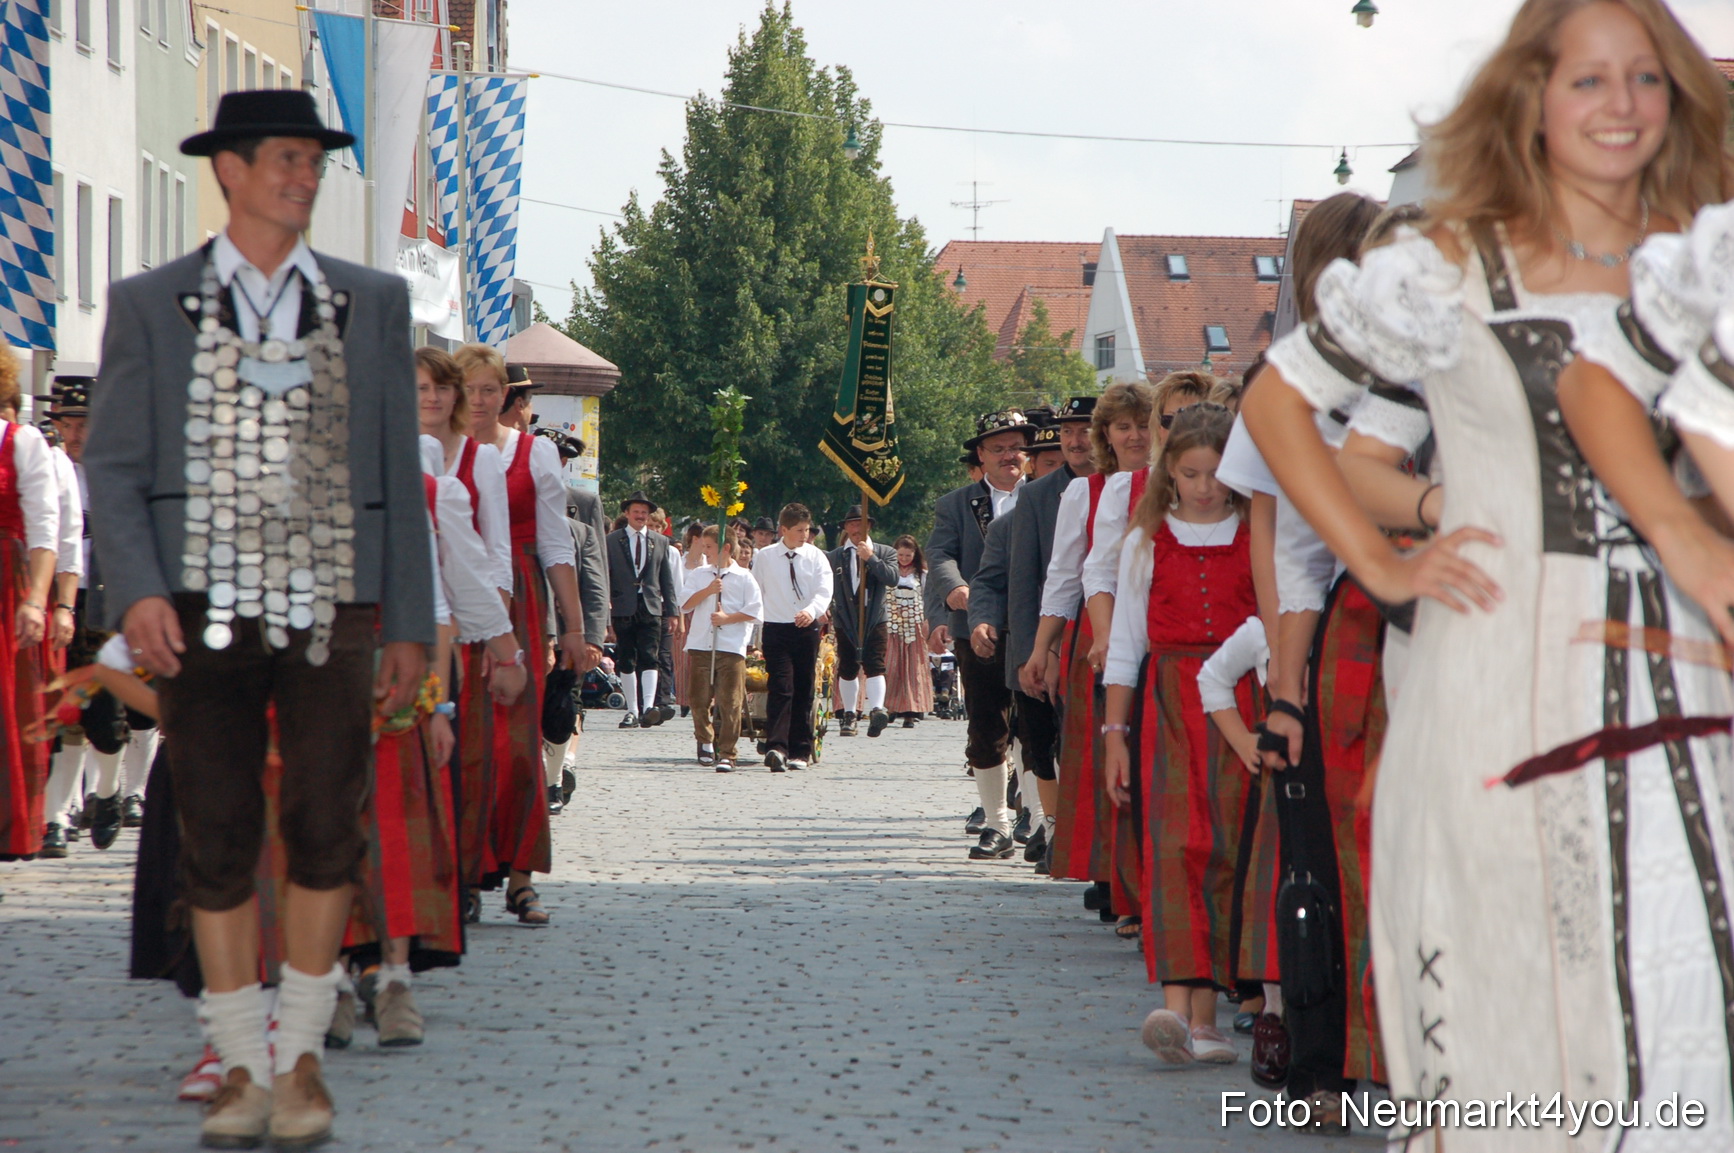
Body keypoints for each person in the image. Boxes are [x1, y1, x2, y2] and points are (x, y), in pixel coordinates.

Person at [1241, 1, 1734, 1141]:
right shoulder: (1451, 263)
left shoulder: (1701, 259)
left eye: (1646, 79)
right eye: (1587, 81)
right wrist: (1385, 557)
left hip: (1685, 671)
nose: (1621, 107)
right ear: (1531, 97)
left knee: (1678, 1006)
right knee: (1517, 1009)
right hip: (1498, 679)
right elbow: (1277, 402)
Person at [83, 89, 435, 1149]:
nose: (303, 175)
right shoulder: (154, 304)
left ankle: (302, 1059)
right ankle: (238, 1060)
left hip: (335, 595)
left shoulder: (370, 302)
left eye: (313, 160)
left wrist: (408, 618)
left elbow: (397, 475)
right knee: (215, 827)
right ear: (227, 171)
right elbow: (115, 464)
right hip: (197, 600)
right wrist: (134, 589)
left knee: (332, 822)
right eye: (283, 158)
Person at [1100, 403, 1275, 1067]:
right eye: (1190, 472)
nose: (1204, 486)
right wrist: (1115, 732)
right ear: (1169, 474)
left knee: (1229, 846)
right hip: (1169, 699)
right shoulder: (1147, 540)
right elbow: (1125, 644)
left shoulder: (1256, 530)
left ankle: (1209, 1015)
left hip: (1241, 698)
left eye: (1214, 473)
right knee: (1175, 844)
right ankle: (1178, 1007)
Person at [456, 342, 591, 927]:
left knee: (516, 742)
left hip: (522, 604)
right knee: (459, 739)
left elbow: (558, 546)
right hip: (454, 598)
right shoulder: (436, 452)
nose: (481, 400)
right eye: (470, 389)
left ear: (505, 396)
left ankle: (519, 876)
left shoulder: (534, 454)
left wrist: (577, 628)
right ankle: (460, 872)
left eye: (492, 389)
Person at [1035, 382, 1152, 909]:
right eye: (1122, 426)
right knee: (1100, 755)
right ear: (1106, 434)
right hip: (1098, 631)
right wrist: (1044, 650)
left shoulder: (1184, 484)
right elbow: (1065, 576)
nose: (1135, 435)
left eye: (1144, 424)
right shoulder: (1088, 491)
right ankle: (1107, 873)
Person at [926, 411, 1031, 859]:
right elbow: (940, 554)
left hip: (1035, 626)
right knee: (987, 726)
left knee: (1036, 727)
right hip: (977, 627)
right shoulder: (956, 504)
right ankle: (997, 823)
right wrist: (956, 590)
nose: (1009, 456)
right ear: (981, 457)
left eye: (1016, 448)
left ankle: (1041, 817)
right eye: (998, 449)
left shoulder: (1049, 496)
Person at [0, 352, 60, 864]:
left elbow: (45, 530)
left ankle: (8, 822)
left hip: (4, 583)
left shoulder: (20, 440)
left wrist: (38, 601)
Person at [753, 503, 832, 772]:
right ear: (783, 530)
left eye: (807, 529)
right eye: (799, 530)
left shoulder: (816, 556)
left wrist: (811, 611)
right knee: (781, 687)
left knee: (803, 688)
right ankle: (777, 746)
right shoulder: (765, 557)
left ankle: (801, 749)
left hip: (805, 630)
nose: (804, 535)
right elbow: (757, 592)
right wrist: (755, 628)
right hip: (775, 628)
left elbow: (824, 590)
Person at [681, 525, 763, 771]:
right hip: (701, 645)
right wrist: (707, 590)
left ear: (725, 548)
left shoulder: (744, 577)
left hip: (730, 646)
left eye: (709, 547)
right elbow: (684, 604)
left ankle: (728, 752)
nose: (704, 551)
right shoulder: (699, 575)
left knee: (730, 701)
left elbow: (755, 612)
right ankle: (705, 740)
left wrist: (728, 618)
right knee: (698, 698)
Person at [605, 492, 678, 728]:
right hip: (622, 605)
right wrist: (605, 612)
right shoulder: (612, 541)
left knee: (650, 655)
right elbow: (605, 577)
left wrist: (673, 611)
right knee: (626, 657)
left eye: (644, 512)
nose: (640, 516)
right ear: (627, 514)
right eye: (636, 512)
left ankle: (649, 706)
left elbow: (666, 579)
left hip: (651, 605)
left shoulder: (660, 541)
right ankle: (632, 710)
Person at [827, 505, 898, 738]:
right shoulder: (835, 556)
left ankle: (877, 709)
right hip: (845, 617)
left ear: (869, 526)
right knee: (847, 666)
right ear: (846, 528)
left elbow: (892, 578)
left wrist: (871, 558)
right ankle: (849, 713)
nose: (856, 529)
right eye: (852, 524)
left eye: (861, 523)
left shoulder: (885, 552)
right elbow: (825, 587)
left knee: (875, 663)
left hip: (874, 616)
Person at [885, 535, 932, 727]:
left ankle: (910, 712)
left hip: (914, 627)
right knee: (891, 666)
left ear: (915, 554)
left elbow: (928, 599)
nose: (904, 558)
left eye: (908, 555)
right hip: (892, 625)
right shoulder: (889, 572)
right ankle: (889, 707)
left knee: (913, 668)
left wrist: (928, 621)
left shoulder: (921, 574)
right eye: (901, 554)